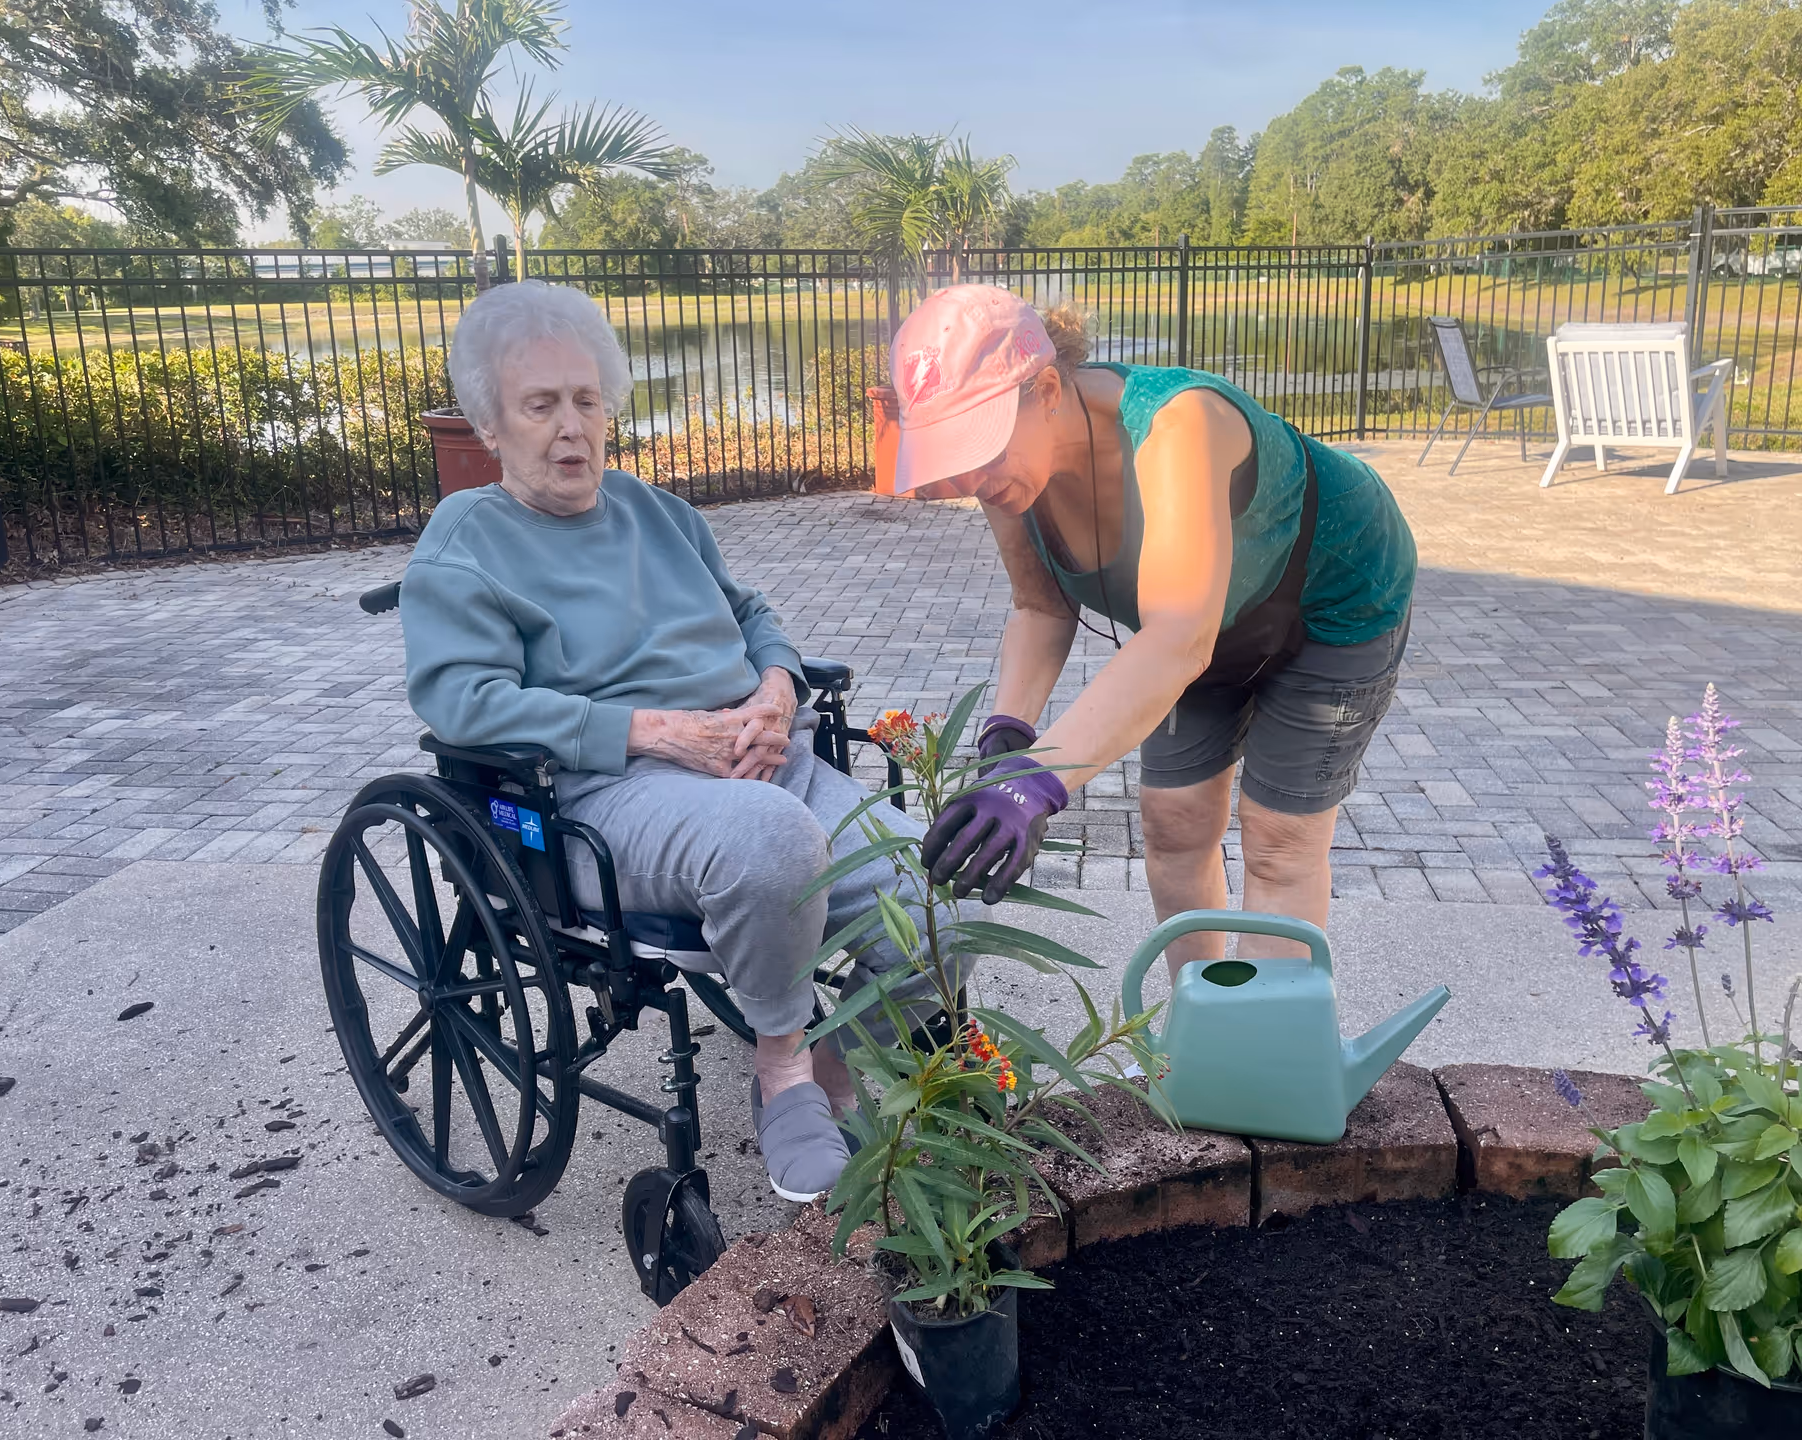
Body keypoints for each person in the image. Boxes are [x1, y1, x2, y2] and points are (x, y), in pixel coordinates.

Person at [396, 280, 937, 1203]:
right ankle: (783, 1066)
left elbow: (752, 613)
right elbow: (458, 699)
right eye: (540, 405)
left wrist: (776, 689)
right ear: (490, 426)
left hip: (770, 753)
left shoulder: (660, 512)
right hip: (611, 792)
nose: (572, 427)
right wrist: (650, 730)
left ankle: (847, 1063)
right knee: (770, 845)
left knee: (922, 890)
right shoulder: (468, 538)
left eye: (586, 400)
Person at [890, 285, 1416, 973]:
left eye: (981, 446)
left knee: (1279, 837)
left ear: (1047, 389)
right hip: (1196, 626)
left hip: (1333, 600)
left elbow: (1177, 637)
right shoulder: (1011, 478)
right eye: (954, 452)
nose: (972, 475)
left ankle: (1267, 1057)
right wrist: (1006, 740)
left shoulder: (1179, 424)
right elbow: (1041, 608)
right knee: (1174, 822)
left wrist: (1037, 781)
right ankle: (1199, 1036)